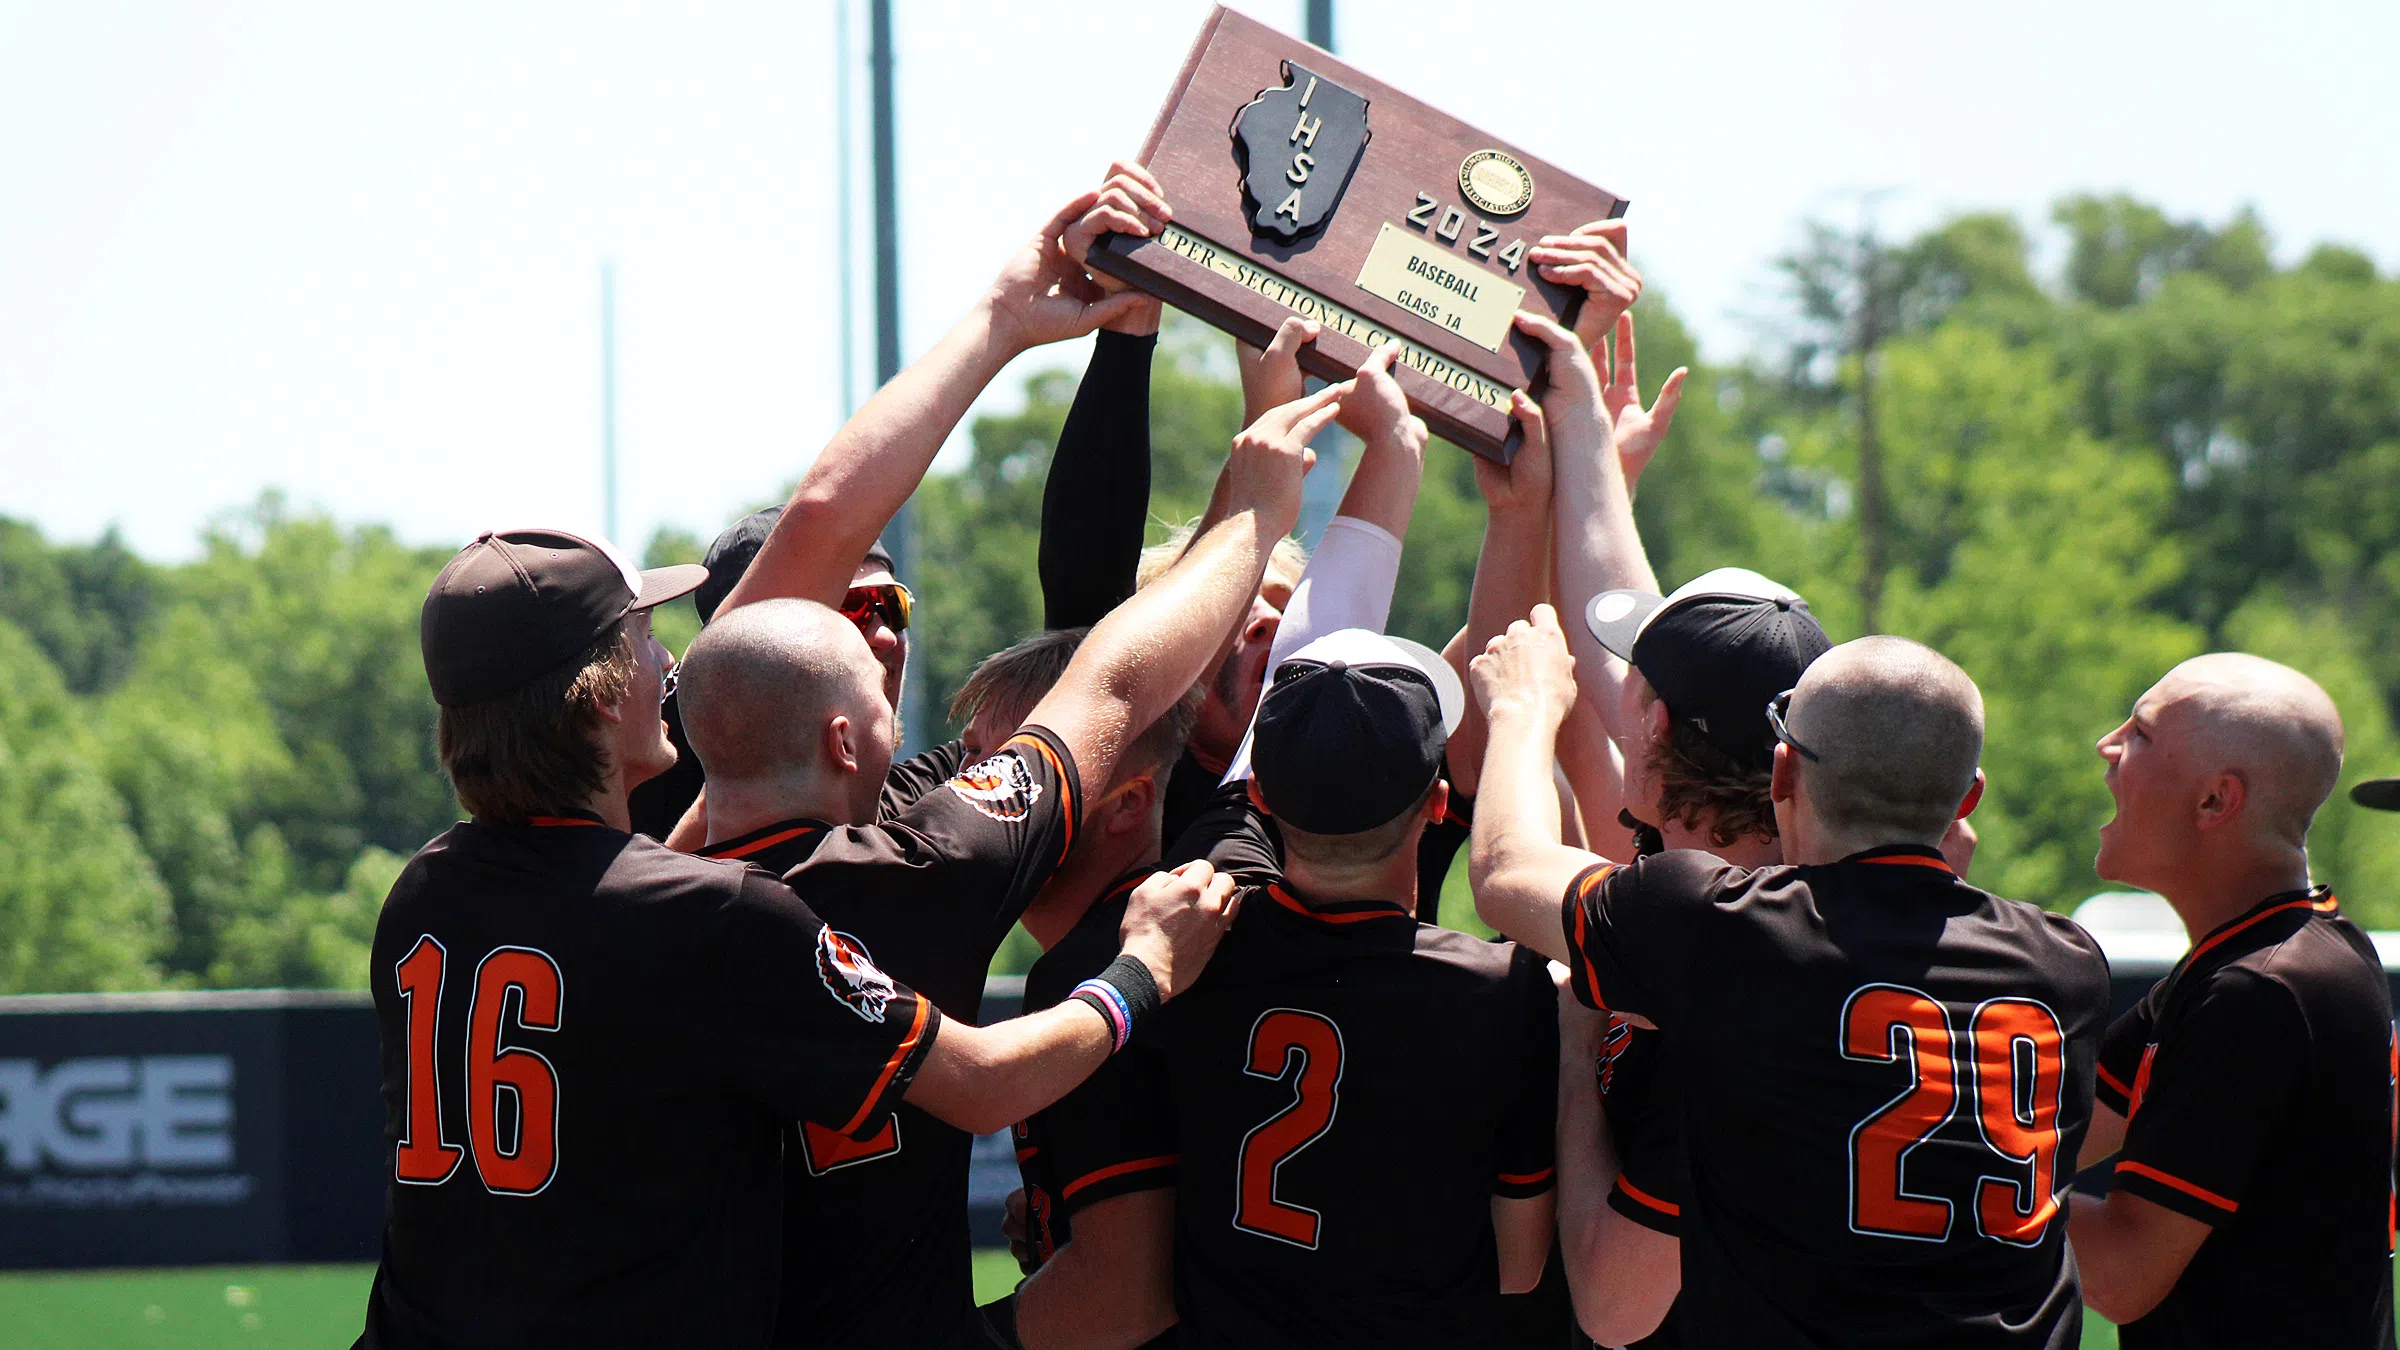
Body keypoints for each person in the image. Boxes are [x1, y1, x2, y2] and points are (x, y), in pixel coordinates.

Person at [356, 527, 1239, 1350]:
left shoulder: (421, 897)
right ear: (599, 694)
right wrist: (1143, 971)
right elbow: (982, 1083)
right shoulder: (713, 914)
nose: (663, 660)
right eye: (641, 642)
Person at [678, 376, 1336, 1350]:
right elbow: (1107, 681)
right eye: (869, 675)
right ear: (846, 740)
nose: (891, 659)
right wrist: (1142, 972)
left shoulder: (626, 895)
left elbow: (1084, 647)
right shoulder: (928, 864)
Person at [1471, 611, 2111, 1348]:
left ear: (1785, 772)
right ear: (1967, 799)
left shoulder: (1728, 930)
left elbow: (1506, 870)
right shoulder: (2069, 967)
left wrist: (1524, 707)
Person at [2068, 654, 2397, 1348]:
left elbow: (2124, 1274)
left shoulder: (2261, 989)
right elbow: (2059, 1130)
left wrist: (1950, 1171)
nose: (2108, 743)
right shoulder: (2258, 956)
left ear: (2216, 801)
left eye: (2142, 733)